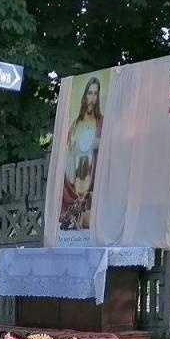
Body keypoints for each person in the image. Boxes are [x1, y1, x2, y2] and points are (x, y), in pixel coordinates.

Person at [59, 76, 104, 231]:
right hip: (74, 180)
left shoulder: (101, 123)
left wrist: (96, 143)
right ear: (85, 95)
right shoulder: (75, 124)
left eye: (95, 94)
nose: (92, 98)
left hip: (93, 182)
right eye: (90, 93)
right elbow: (67, 153)